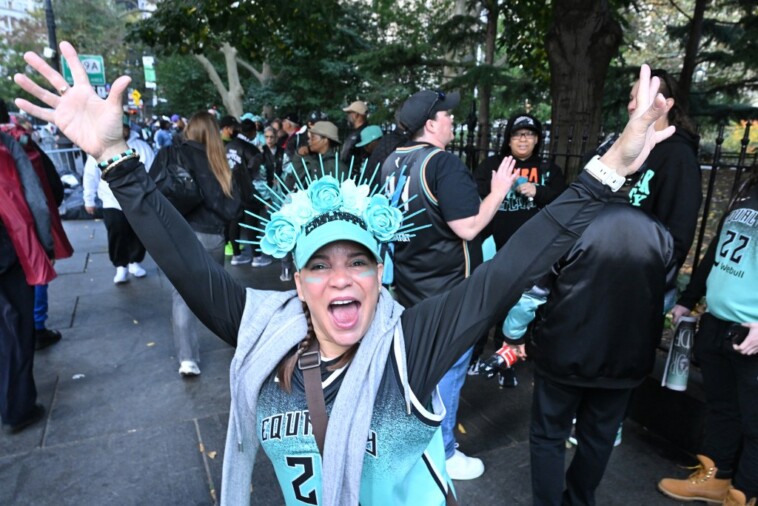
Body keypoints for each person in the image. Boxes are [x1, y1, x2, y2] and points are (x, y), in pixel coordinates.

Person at [14, 42, 671, 504]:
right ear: (295, 281)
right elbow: (186, 261)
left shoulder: (415, 343)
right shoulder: (263, 336)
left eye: (359, 261)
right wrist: (115, 159)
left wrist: (615, 161)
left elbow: (529, 253)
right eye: (318, 265)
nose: (340, 278)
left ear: (383, 271)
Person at [491, 176, 677, 506]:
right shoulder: (658, 231)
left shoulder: (573, 226)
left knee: (549, 434)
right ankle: (579, 499)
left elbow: (532, 296)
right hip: (627, 357)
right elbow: (662, 300)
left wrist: (513, 336)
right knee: (600, 436)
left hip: (564, 352)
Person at [657, 174, 758, 506]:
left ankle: (744, 495)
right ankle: (717, 477)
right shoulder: (748, 191)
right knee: (722, 409)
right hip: (719, 323)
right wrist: (689, 298)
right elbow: (718, 249)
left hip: (752, 332)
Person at [471, 112, 566, 385]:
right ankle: (475, 356)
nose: (523, 139)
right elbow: (472, 195)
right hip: (494, 248)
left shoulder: (550, 170)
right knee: (485, 305)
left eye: (529, 134)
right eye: (517, 134)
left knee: (521, 308)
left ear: (537, 139)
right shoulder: (493, 165)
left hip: (535, 254)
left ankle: (506, 364)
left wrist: (539, 192)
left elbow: (564, 202)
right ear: (508, 139)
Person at [149, 111, 241, 377]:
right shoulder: (220, 161)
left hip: (182, 233)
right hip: (214, 235)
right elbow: (232, 205)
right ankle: (233, 338)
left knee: (183, 297)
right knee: (218, 291)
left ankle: (188, 359)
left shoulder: (174, 154)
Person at [0, 129, 57, 434]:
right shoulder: (7, 145)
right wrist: (45, 244)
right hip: (8, 251)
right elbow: (34, 198)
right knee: (15, 330)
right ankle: (18, 406)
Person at [83, 114, 155, 284]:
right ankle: (120, 266)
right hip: (111, 201)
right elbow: (90, 175)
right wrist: (89, 199)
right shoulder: (98, 149)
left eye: (123, 128)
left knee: (138, 233)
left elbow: (151, 171)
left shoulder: (141, 147)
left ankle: (135, 262)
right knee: (116, 232)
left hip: (137, 201)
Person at [225, 118, 261, 266]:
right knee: (251, 221)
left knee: (234, 221)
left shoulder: (227, 146)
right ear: (252, 131)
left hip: (230, 188)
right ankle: (257, 256)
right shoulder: (250, 148)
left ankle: (236, 254)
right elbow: (256, 169)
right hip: (246, 190)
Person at [250, 125, 283, 269]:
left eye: (272, 137)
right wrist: (266, 198)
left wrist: (281, 180)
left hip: (281, 191)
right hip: (266, 192)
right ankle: (268, 251)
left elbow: (288, 169)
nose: (269, 140)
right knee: (266, 223)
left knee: (280, 221)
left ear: (276, 137)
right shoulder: (260, 154)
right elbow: (259, 178)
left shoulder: (282, 152)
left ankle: (280, 250)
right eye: (267, 137)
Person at [341, 100, 370, 172]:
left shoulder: (366, 133)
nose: (348, 116)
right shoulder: (353, 132)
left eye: (349, 113)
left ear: (356, 114)